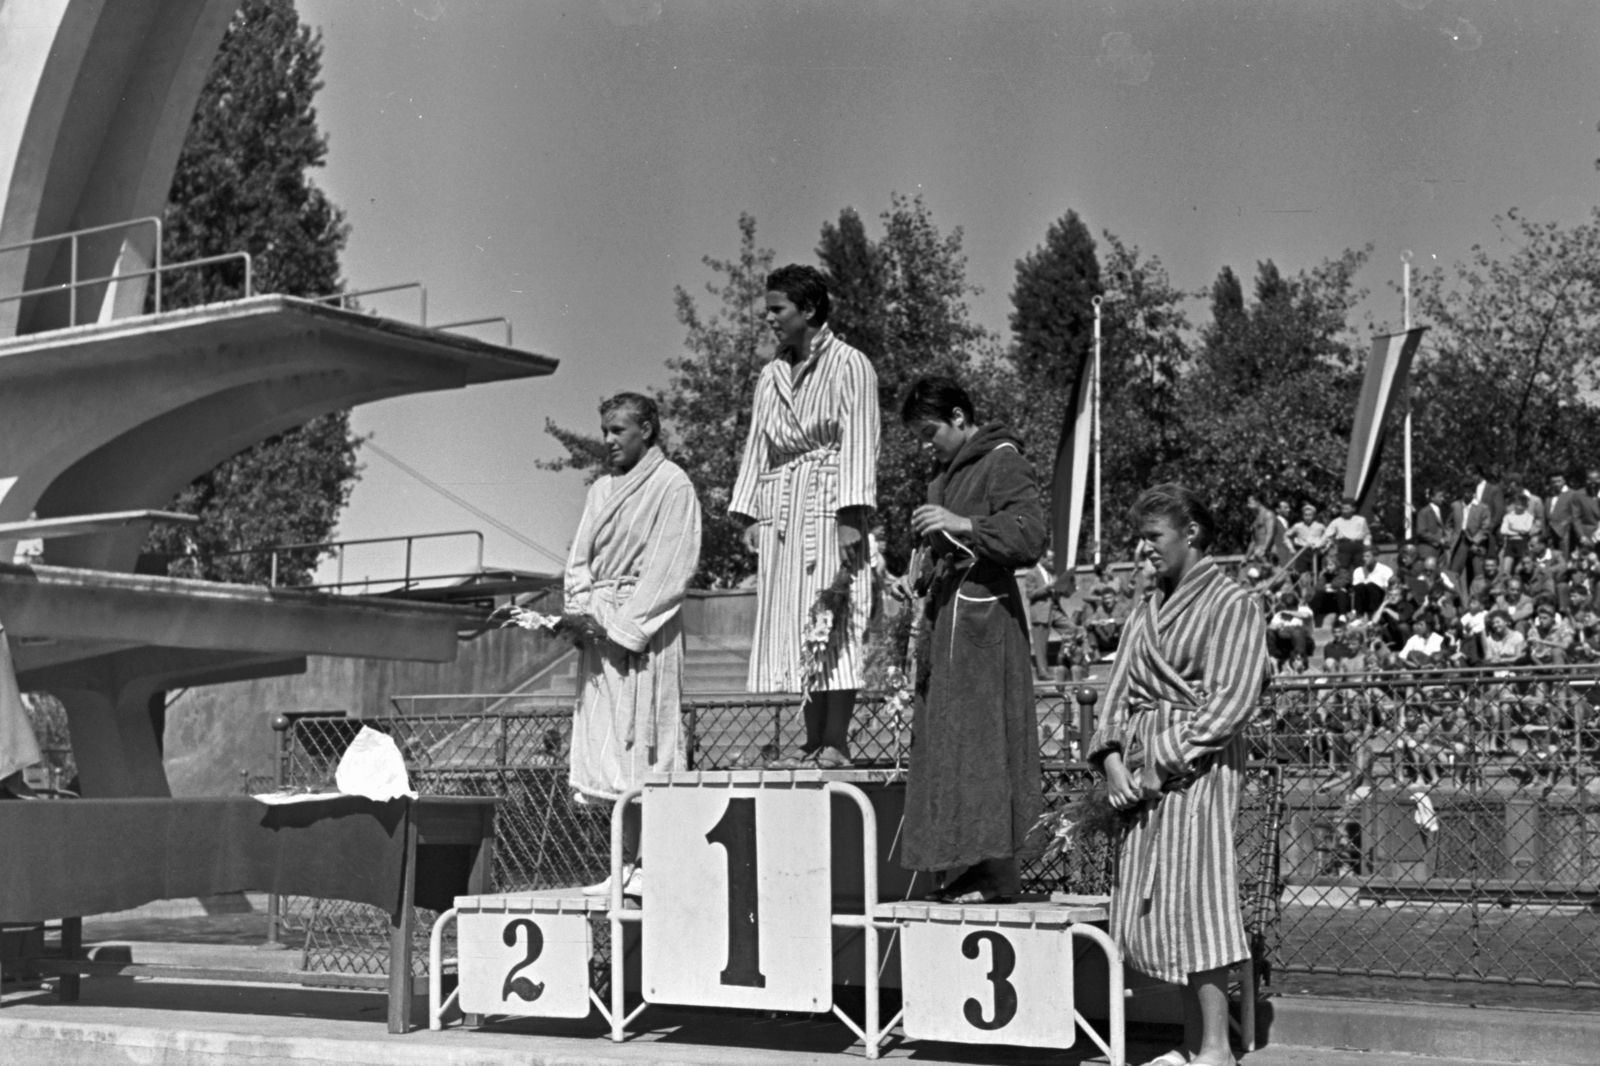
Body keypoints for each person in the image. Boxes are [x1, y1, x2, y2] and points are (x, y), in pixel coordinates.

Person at [1090, 483, 1268, 1066]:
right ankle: (1189, 1042)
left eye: (1152, 537)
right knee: (1164, 902)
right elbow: (1114, 695)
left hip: (1201, 769)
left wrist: (1159, 761)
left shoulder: (1234, 603)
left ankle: (1215, 1047)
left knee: (1202, 898)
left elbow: (1231, 702)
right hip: (1139, 770)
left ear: (1190, 533)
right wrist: (1114, 758)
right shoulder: (1146, 608)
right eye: (1140, 539)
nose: (1143, 551)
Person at [898, 376, 1045, 903]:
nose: (924, 444)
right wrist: (918, 569)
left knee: (984, 744)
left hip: (985, 624)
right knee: (949, 745)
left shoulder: (1002, 458)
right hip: (948, 621)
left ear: (959, 417)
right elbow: (947, 543)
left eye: (929, 430)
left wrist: (962, 525)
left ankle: (995, 872)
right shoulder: (945, 476)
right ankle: (962, 864)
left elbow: (1029, 533)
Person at [730, 264, 880, 768]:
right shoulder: (771, 375)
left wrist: (850, 516)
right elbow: (758, 447)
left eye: (778, 309)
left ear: (808, 309)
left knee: (835, 620)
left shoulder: (850, 364)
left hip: (830, 502)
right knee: (797, 624)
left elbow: (861, 440)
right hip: (782, 511)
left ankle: (836, 741)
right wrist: (749, 514)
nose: (769, 318)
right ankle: (811, 738)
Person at [559, 393, 702, 897]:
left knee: (646, 741)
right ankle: (623, 863)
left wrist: (625, 630)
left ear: (647, 429)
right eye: (603, 430)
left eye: (618, 430)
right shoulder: (601, 490)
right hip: (600, 624)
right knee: (608, 748)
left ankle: (652, 863)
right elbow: (579, 560)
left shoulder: (672, 485)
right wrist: (579, 615)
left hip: (645, 630)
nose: (608, 440)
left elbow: (672, 564)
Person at [1321, 498, 1372, 575]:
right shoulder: (1337, 521)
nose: (1344, 511)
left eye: (1347, 508)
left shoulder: (1361, 520)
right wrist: (1321, 544)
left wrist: (1367, 543)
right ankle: (1343, 585)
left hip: (1358, 546)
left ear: (1353, 509)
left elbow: (1367, 534)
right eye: (1343, 508)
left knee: (1360, 568)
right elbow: (1327, 534)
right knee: (1342, 567)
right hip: (1344, 546)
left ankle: (1359, 585)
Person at [1350, 547, 1393, 618]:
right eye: (1363, 556)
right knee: (1360, 586)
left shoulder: (1385, 570)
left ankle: (1374, 615)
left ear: (1375, 557)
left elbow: (1388, 590)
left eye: (1367, 556)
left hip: (1378, 599)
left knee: (1371, 585)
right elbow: (1356, 590)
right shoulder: (1358, 571)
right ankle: (1359, 616)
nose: (1364, 559)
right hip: (1363, 600)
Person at [1413, 488, 1448, 562]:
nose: (1442, 499)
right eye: (1440, 496)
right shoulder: (1424, 512)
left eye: (1443, 496)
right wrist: (1438, 539)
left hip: (1440, 552)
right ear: (1432, 497)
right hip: (1427, 551)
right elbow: (1421, 532)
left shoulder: (1443, 510)